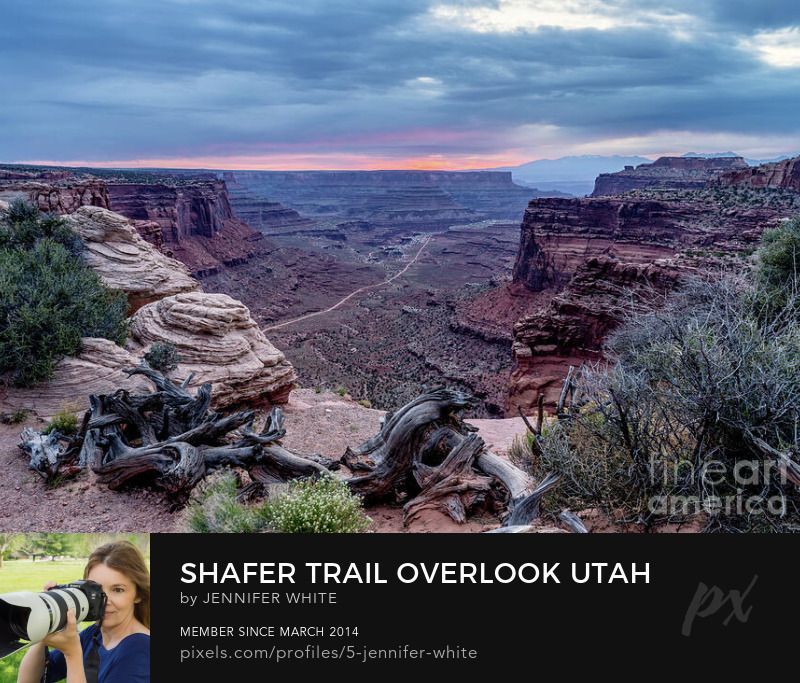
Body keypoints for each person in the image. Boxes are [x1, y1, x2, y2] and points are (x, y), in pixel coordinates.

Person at [17, 541, 150, 683]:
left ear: (138, 594)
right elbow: (29, 680)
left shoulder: (141, 649)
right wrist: (47, 623)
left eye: (118, 590)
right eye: (96, 590)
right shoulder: (94, 635)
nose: (104, 601)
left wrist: (72, 654)